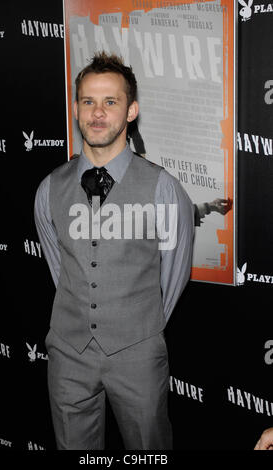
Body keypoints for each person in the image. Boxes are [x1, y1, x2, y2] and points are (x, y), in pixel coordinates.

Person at [34, 51, 194, 450]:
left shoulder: (163, 189)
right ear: (76, 108)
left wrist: (135, 330)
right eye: (88, 101)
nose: (98, 113)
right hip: (68, 354)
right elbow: (60, 268)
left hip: (138, 357)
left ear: (131, 110)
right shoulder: (50, 188)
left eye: (111, 101)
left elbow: (173, 277)